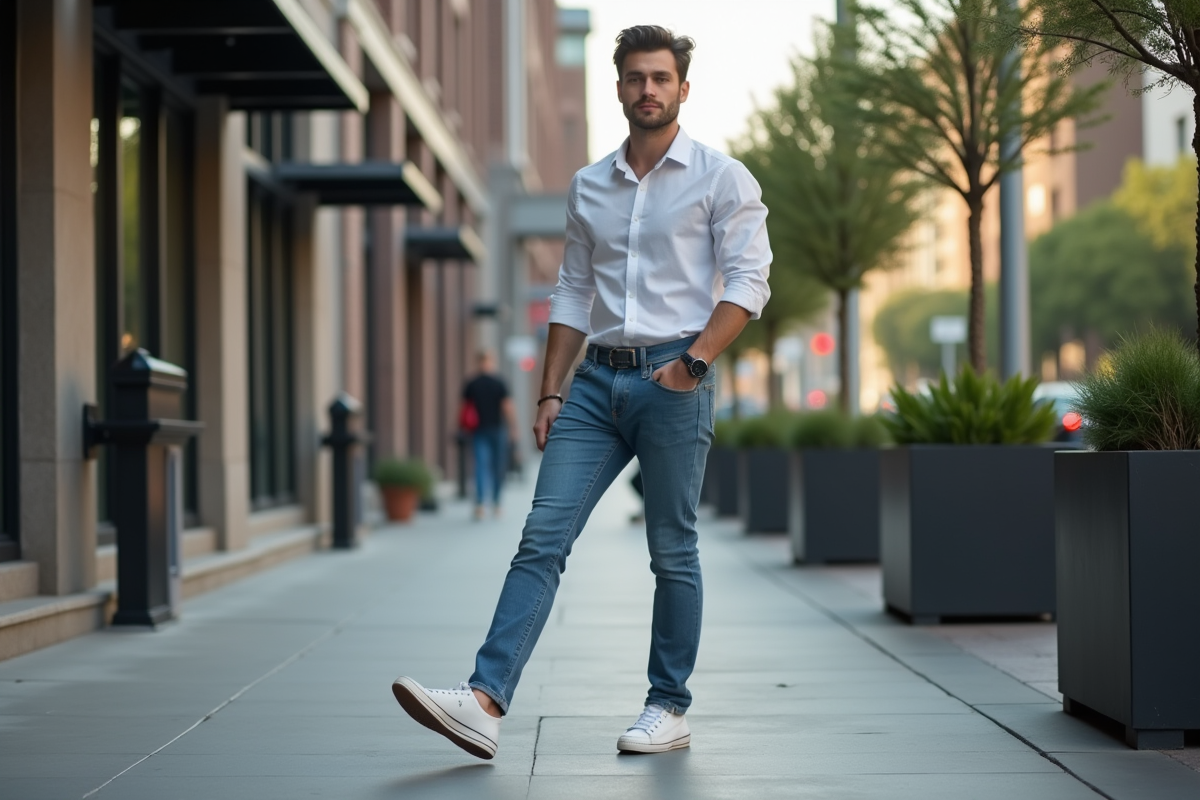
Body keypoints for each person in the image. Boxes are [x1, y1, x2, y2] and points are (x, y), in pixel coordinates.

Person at [392, 25, 772, 759]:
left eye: (661, 78)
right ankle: (483, 700)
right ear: (619, 86)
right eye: (635, 78)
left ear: (683, 89)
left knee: (672, 550)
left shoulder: (723, 178)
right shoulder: (589, 185)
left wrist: (691, 365)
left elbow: (749, 284)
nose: (649, 90)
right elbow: (571, 291)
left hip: (673, 377)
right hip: (595, 383)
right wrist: (548, 393)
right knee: (542, 536)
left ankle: (668, 706)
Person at [462, 351, 518, 520]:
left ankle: (480, 505)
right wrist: (514, 428)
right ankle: (496, 504)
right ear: (492, 362)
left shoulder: (472, 383)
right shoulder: (499, 382)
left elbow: (463, 409)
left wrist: (461, 427)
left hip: (478, 430)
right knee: (497, 467)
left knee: (480, 466)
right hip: (497, 429)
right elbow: (507, 407)